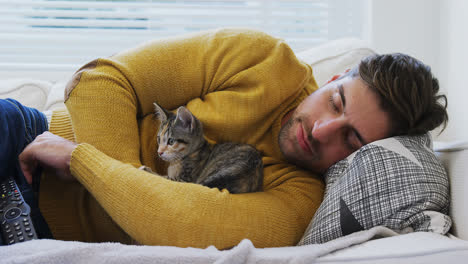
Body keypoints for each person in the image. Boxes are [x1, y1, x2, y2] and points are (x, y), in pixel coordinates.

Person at [11, 28, 448, 249]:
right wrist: (95, 163)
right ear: (333, 79)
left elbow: (183, 224)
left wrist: (86, 164)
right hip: (27, 137)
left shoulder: (300, 200)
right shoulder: (263, 60)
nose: (320, 132)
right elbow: (102, 79)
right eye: (336, 102)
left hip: (39, 226)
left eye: (351, 139)